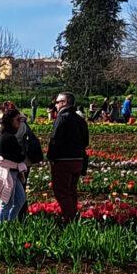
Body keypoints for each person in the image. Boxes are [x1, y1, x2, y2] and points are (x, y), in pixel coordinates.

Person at [47, 92, 89, 223]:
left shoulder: (62, 117)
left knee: (62, 191)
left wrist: (51, 157)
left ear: (64, 103)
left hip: (63, 160)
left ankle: (69, 219)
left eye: (57, 102)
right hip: (78, 159)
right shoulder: (80, 119)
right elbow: (86, 141)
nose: (56, 104)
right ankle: (73, 215)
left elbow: (55, 139)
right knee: (71, 190)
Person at [0, 108, 27, 222]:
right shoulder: (8, 137)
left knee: (20, 199)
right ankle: (3, 227)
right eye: (18, 119)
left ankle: (10, 221)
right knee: (6, 202)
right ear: (10, 120)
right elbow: (18, 157)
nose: (20, 122)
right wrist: (23, 151)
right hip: (9, 172)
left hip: (13, 172)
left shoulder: (8, 135)